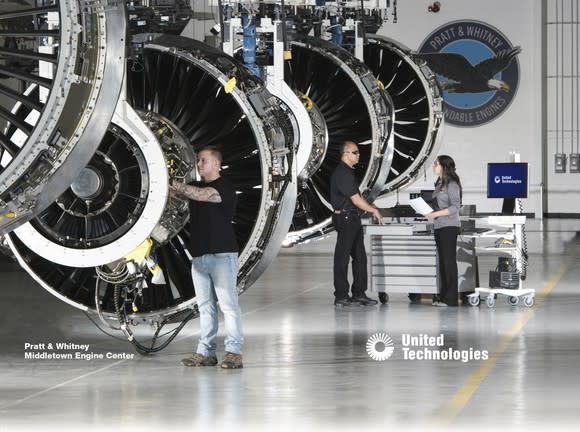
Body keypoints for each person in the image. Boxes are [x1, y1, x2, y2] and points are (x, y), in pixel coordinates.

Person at [170, 146, 244, 368]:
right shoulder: (197, 187)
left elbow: (200, 195)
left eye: (203, 160)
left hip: (222, 256)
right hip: (200, 258)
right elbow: (180, 193)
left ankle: (234, 352)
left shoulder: (224, 187)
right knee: (205, 307)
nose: (199, 164)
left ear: (216, 164)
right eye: (198, 161)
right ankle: (206, 352)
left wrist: (173, 182)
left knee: (228, 305)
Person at [330, 141, 383, 308]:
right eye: (355, 152)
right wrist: (373, 211)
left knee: (360, 257)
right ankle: (341, 296)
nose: (358, 155)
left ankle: (359, 293)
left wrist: (369, 207)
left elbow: (356, 199)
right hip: (346, 219)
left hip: (352, 219)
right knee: (342, 258)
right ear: (346, 154)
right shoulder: (343, 174)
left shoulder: (348, 173)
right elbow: (356, 200)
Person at [425, 155, 462, 307]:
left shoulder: (452, 184)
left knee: (449, 262)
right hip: (439, 226)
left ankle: (451, 299)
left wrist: (434, 214)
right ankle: (443, 296)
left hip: (449, 227)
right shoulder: (439, 183)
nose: (434, 166)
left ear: (443, 166)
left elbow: (455, 207)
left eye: (436, 164)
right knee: (443, 263)